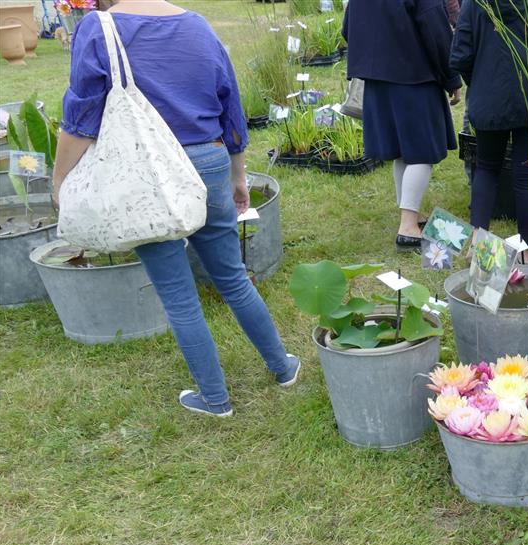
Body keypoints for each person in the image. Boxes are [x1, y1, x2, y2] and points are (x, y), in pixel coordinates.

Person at [53, 0, 299, 418]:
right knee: (234, 279)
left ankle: (215, 399)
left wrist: (60, 182)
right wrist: (238, 174)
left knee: (179, 297)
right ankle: (282, 367)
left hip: (146, 173)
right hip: (210, 160)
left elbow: (81, 117)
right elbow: (230, 108)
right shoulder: (198, 25)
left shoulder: (100, 27)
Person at [450, 0, 528, 261]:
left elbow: (461, 55)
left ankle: (476, 243)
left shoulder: (475, 3)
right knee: (526, 174)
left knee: (486, 167)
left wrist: (479, 82)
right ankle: (527, 251)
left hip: (489, 94)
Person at [342, 0, 462, 251]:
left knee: (402, 151)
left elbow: (347, 27)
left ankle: (412, 213)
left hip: (377, 79)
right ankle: (408, 227)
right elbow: (435, 31)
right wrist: (452, 78)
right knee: (422, 154)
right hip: (413, 78)